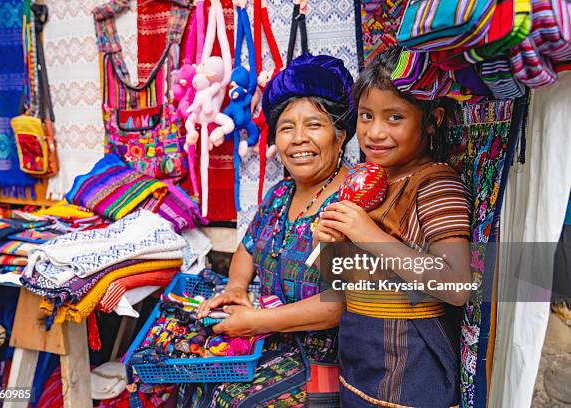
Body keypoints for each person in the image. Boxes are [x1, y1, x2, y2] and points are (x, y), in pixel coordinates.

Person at [179, 54, 356, 407]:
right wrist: (235, 288)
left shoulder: (351, 200)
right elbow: (248, 247)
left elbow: (338, 304)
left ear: (341, 134)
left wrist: (258, 320)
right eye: (287, 127)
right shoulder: (279, 195)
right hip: (269, 344)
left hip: (327, 363)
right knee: (194, 379)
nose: (298, 139)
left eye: (314, 125)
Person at [314, 46, 472, 407]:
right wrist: (329, 244)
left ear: (432, 120)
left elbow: (458, 286)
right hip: (360, 362)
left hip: (411, 370)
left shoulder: (435, 184)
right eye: (366, 116)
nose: (375, 132)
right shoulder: (367, 182)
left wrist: (368, 235)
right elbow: (344, 287)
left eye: (394, 117)